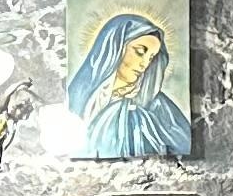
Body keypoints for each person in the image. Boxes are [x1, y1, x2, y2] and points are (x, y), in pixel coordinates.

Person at [64, 9, 195, 161]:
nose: (145, 64)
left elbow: (181, 141)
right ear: (115, 47)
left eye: (151, 57)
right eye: (140, 52)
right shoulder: (78, 95)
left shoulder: (158, 105)